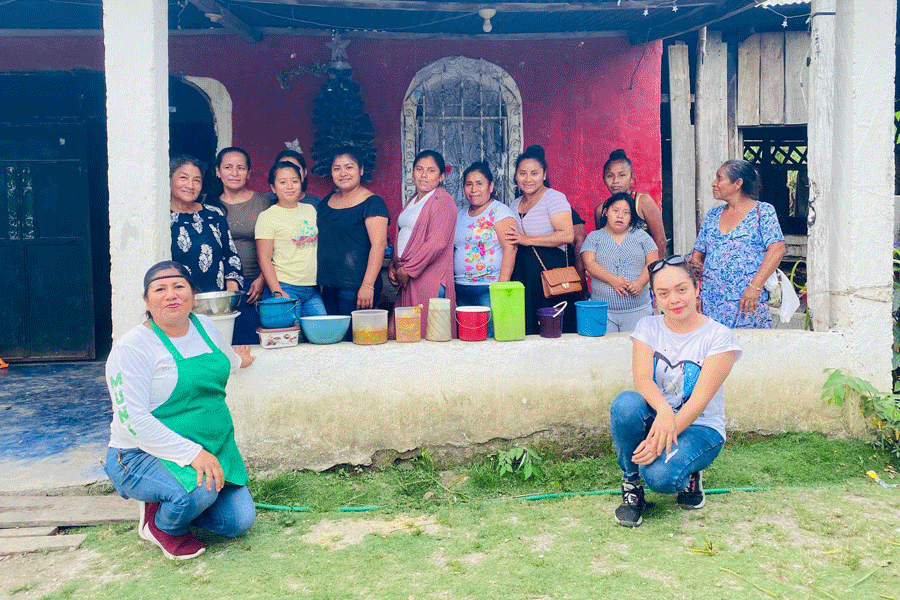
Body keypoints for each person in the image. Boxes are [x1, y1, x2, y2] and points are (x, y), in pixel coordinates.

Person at [104, 261, 256, 560]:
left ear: (193, 294)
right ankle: (160, 524)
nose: (171, 295)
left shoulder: (206, 327)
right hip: (139, 454)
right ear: (147, 300)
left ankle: (174, 498)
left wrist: (241, 360)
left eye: (178, 286)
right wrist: (192, 454)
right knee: (199, 492)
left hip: (209, 446)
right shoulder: (132, 348)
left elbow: (225, 360)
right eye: (160, 289)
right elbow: (132, 421)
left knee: (238, 521)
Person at [610, 255, 741, 527]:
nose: (674, 300)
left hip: (701, 426)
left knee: (660, 477)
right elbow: (643, 380)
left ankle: (691, 474)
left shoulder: (718, 336)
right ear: (655, 298)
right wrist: (664, 411)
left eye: (682, 290)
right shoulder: (648, 326)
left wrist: (658, 440)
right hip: (660, 417)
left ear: (696, 288)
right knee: (625, 405)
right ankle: (632, 486)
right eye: (664, 293)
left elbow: (699, 401)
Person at [690, 159, 786, 328]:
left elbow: (777, 249)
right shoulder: (712, 215)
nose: (714, 183)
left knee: (750, 343)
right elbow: (697, 256)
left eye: (719, 178)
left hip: (747, 300)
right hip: (712, 302)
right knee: (714, 343)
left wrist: (754, 287)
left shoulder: (762, 212)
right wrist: (695, 294)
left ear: (738, 183)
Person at [505, 144, 579, 335]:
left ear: (544, 175)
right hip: (523, 274)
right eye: (522, 173)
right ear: (516, 176)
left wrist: (527, 240)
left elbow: (567, 235)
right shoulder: (514, 204)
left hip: (549, 274)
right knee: (527, 326)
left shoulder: (554, 198)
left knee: (550, 328)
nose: (528, 179)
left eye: (534, 173)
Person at [390, 150, 458, 338]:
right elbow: (404, 235)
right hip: (407, 277)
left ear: (441, 176)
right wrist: (394, 265)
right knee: (402, 335)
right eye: (419, 169)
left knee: (427, 336)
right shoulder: (413, 200)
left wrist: (408, 269)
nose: (424, 175)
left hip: (428, 278)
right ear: (412, 172)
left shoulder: (442, 201)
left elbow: (437, 243)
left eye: (431, 170)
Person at [317, 146, 390, 316]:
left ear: (361, 170)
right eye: (337, 168)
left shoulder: (372, 203)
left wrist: (367, 286)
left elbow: (379, 245)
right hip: (329, 286)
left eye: (349, 167)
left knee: (354, 332)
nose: (343, 173)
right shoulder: (327, 202)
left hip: (357, 287)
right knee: (333, 332)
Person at [209, 147, 270, 343]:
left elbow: (277, 245)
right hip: (219, 285)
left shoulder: (263, 202)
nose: (234, 173)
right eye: (228, 167)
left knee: (252, 341)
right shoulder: (208, 204)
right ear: (218, 171)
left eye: (240, 168)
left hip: (255, 284)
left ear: (248, 173)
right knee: (222, 341)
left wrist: (262, 279)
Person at [453, 161, 518, 336]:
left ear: (491, 186)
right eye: (469, 184)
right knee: (467, 337)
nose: (473, 189)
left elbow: (510, 249)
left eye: (479, 183)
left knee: (488, 339)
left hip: (489, 289)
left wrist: (501, 289)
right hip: (461, 288)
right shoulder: (460, 215)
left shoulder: (500, 212)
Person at [255, 161, 326, 320]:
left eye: (294, 181)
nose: (290, 186)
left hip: (312, 288)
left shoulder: (310, 210)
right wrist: (277, 291)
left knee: (322, 329)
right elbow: (264, 258)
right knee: (290, 332)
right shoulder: (267, 217)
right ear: (273, 187)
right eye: (282, 182)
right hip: (285, 285)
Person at [581, 192, 657, 333]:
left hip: (638, 310)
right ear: (606, 212)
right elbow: (589, 264)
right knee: (605, 347)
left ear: (631, 216)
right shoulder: (594, 238)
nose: (620, 216)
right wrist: (613, 280)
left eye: (626, 212)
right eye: (615, 210)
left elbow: (652, 263)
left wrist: (639, 283)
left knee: (636, 346)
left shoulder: (643, 237)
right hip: (603, 312)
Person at [169, 154, 243, 293]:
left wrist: (232, 288)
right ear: (169, 179)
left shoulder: (214, 214)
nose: (190, 185)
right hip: (178, 299)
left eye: (197, 180)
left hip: (215, 298)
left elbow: (231, 255)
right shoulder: (162, 219)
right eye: (183, 178)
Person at [601, 149, 668, 258]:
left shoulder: (643, 203)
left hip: (645, 265)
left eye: (622, 175)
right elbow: (603, 245)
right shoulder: (602, 210)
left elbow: (660, 241)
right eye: (610, 176)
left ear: (632, 178)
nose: (615, 181)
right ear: (603, 179)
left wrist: (654, 267)